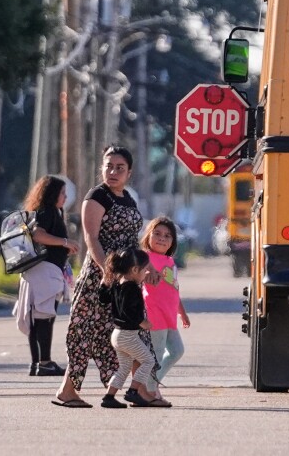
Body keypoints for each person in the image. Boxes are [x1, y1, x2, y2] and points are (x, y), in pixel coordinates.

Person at [53, 145, 154, 408]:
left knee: (130, 333)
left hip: (126, 279)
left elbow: (132, 240)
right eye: (108, 166)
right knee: (85, 334)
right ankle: (68, 390)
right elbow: (92, 238)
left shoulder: (128, 199)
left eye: (119, 168)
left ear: (129, 172)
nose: (113, 172)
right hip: (100, 279)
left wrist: (146, 266)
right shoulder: (97, 196)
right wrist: (107, 273)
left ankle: (141, 389)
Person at [13, 175, 80, 376]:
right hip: (45, 272)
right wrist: (64, 242)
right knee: (44, 318)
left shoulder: (42, 211)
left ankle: (37, 364)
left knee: (37, 319)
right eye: (62, 193)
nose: (65, 197)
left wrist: (62, 246)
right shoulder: (48, 211)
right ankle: (45, 362)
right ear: (52, 194)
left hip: (37, 271)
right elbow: (38, 235)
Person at [97, 248, 171, 408]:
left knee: (124, 368)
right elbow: (128, 310)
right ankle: (133, 391)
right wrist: (141, 321)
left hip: (117, 334)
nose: (146, 274)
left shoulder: (117, 284)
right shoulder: (132, 288)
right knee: (148, 360)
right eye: (145, 270)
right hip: (127, 335)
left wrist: (103, 283)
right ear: (135, 270)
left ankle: (108, 397)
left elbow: (103, 299)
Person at [139, 216, 190, 400]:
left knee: (177, 351)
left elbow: (174, 290)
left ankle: (150, 384)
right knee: (156, 356)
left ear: (173, 241)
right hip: (154, 317)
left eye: (167, 235)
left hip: (169, 317)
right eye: (157, 233)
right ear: (148, 236)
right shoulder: (145, 258)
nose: (162, 238)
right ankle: (149, 392)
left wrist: (182, 313)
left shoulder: (169, 261)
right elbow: (138, 277)